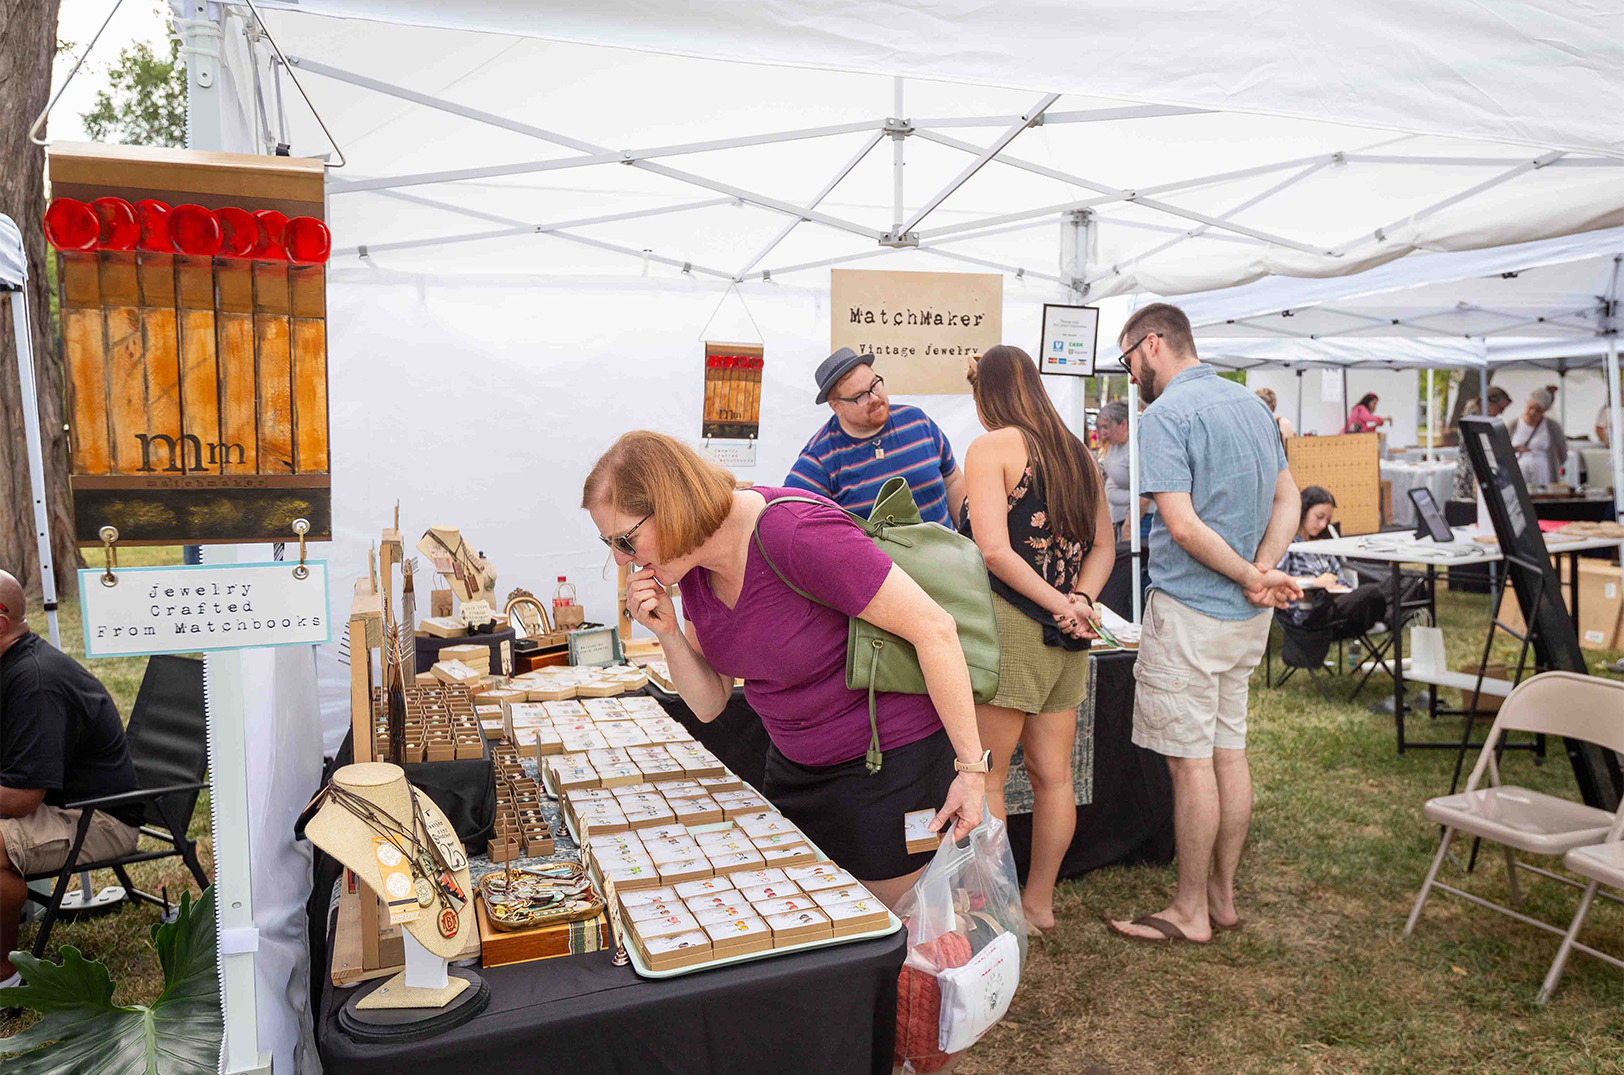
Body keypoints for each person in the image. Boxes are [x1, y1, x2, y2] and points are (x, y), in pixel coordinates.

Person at [584, 432, 986, 907]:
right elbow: (712, 703)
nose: (619, 557)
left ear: (671, 505)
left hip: (885, 767)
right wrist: (668, 633)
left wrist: (972, 770)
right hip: (796, 767)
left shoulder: (794, 531)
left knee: (895, 933)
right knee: (814, 924)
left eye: (625, 538)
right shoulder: (689, 568)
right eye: (608, 541)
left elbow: (934, 629)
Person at [1104, 303, 1301, 946]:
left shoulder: (1163, 416)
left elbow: (1182, 526)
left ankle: (1190, 910)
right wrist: (1262, 568)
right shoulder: (1251, 405)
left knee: (1193, 766)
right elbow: (1288, 496)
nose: (1130, 374)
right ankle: (1222, 897)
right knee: (1229, 752)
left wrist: (1252, 573)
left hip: (1193, 610)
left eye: (1129, 360)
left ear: (1152, 344)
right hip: (1246, 616)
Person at [959, 347, 1116, 931]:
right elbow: (1105, 547)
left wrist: (1057, 605)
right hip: (1070, 634)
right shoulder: (1079, 453)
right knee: (1055, 777)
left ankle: (996, 911)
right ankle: (1039, 904)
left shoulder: (993, 446)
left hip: (1011, 626)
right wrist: (1081, 603)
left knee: (990, 776)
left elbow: (994, 550)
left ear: (989, 394)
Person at [1, 570, 143, 988]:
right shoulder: (13, 666)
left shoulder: (35, 684)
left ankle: (5, 977)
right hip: (57, 806)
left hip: (96, 820)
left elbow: (23, 798)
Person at [787, 347, 966, 526]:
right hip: (878, 555)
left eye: (875, 385)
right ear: (836, 406)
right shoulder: (819, 459)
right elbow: (787, 517)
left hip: (948, 552)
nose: (874, 397)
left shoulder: (918, 421)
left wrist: (968, 537)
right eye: (861, 396)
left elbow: (953, 481)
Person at [1275, 487, 1386, 637]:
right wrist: (1315, 582)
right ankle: (1379, 619)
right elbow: (1278, 579)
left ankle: (1379, 618)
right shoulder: (1288, 543)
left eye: (1327, 520)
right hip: (1309, 610)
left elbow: (1340, 577)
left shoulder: (1321, 544)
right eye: (1319, 517)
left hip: (1336, 601)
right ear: (1303, 511)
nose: (1322, 525)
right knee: (1373, 592)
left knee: (1399, 583)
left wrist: (1339, 587)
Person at [1511, 385, 1567, 487]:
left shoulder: (1552, 427)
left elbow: (1562, 452)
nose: (1533, 413)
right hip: (1519, 470)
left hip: (1543, 472)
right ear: (1526, 404)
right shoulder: (1513, 425)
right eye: (1531, 408)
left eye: (1538, 410)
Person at [1096, 400, 1133, 531]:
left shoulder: (1136, 447)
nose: (1102, 433)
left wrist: (1129, 525)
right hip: (1120, 518)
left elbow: (1145, 497)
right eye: (1100, 428)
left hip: (1138, 521)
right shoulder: (1114, 446)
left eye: (1106, 427)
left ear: (1123, 424)